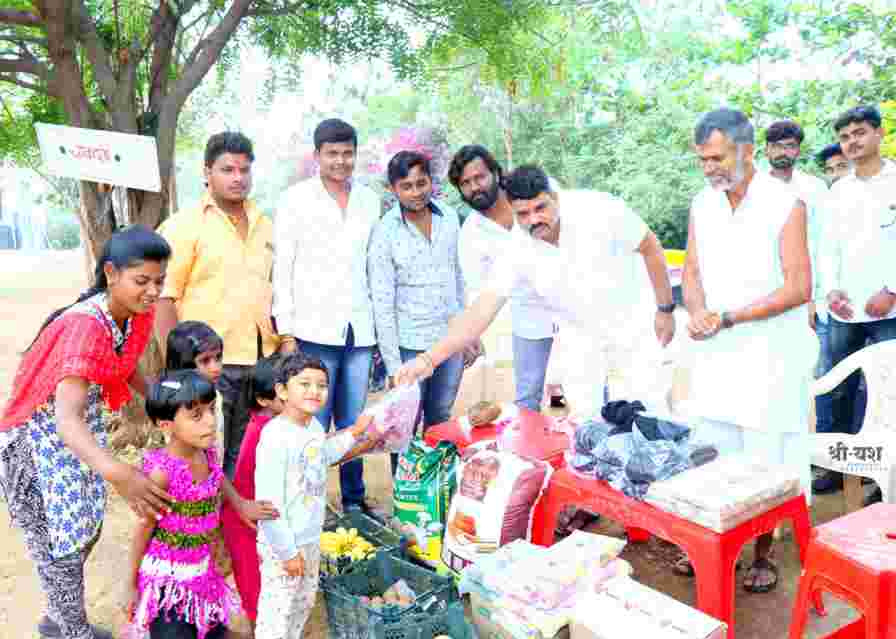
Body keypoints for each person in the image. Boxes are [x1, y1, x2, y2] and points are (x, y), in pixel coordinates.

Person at [395, 164, 675, 421]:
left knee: (648, 412)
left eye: (541, 208)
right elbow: (481, 311)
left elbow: (649, 245)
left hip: (630, 321)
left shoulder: (598, 208)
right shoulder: (518, 246)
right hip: (577, 334)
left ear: (556, 196)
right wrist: (427, 360)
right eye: (523, 214)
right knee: (583, 418)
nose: (533, 219)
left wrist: (665, 309)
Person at [0, 226, 174, 639]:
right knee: (60, 551)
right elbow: (67, 418)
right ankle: (71, 631)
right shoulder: (85, 327)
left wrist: (161, 404)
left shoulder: (134, 315)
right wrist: (121, 474)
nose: (152, 292)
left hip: (75, 444)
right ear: (111, 273)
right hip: (37, 450)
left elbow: (125, 360)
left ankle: (56, 622)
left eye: (159, 281)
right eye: (142, 281)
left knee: (84, 533)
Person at [683, 108, 814, 592]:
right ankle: (721, 545)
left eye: (716, 157)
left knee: (766, 459)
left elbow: (800, 286)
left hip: (771, 354)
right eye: (702, 160)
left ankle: (764, 551)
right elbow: (692, 270)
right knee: (717, 455)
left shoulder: (786, 203)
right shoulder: (703, 203)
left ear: (746, 150)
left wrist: (731, 317)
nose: (709, 168)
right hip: (717, 351)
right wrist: (696, 311)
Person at [272, 118, 381, 514]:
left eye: (347, 153)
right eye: (332, 153)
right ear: (317, 156)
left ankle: (354, 502)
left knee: (354, 421)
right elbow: (282, 268)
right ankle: (308, 502)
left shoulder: (370, 201)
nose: (340, 160)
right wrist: (286, 333)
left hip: (360, 331)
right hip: (312, 329)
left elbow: (375, 267)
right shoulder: (295, 200)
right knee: (311, 418)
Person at [156, 132, 280, 478]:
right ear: (207, 172)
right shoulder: (184, 225)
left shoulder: (265, 225)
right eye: (227, 169)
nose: (238, 177)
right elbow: (165, 296)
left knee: (244, 453)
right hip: (206, 363)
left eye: (244, 169)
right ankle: (201, 526)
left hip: (257, 360)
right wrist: (177, 367)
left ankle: (234, 525)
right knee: (205, 450)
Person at [254, 354, 382, 639]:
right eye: (305, 383)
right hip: (283, 544)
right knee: (277, 612)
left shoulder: (312, 427)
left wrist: (355, 433)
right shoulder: (275, 437)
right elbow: (269, 504)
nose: (315, 391)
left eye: (322, 385)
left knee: (302, 604)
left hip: (310, 537)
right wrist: (287, 552)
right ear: (282, 391)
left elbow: (323, 455)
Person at [817, 105, 896, 502]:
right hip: (844, 308)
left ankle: (887, 479)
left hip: (890, 308)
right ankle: (837, 468)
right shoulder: (838, 190)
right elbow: (828, 249)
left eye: (859, 132)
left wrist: (892, 290)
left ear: (879, 133)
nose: (852, 141)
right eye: (845, 136)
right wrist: (831, 290)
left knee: (891, 391)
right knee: (839, 388)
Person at [125, 371, 238, 639]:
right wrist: (129, 584)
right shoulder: (162, 474)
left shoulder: (206, 454)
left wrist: (241, 504)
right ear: (166, 426)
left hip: (202, 571)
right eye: (197, 415)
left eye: (211, 410)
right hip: (167, 584)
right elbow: (144, 529)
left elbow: (218, 481)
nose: (211, 422)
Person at [449, 145, 559, 411]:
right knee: (528, 397)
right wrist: (470, 334)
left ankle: (576, 443)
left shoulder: (531, 193)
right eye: (466, 183)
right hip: (530, 321)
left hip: (572, 310)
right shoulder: (471, 235)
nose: (475, 187)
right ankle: (536, 449)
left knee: (570, 391)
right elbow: (480, 295)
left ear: (496, 173)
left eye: (480, 177)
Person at [368, 151, 466, 439]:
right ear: (393, 189)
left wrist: (467, 331)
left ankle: (434, 484)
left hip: (450, 341)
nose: (416, 193)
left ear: (430, 182)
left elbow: (459, 277)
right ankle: (405, 485)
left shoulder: (448, 217)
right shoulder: (385, 232)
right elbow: (382, 300)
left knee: (440, 420)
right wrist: (392, 364)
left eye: (421, 183)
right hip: (409, 346)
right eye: (406, 186)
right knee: (403, 425)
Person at [763, 120, 836, 462]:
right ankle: (770, 451)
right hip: (764, 298)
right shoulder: (753, 188)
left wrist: (813, 298)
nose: (783, 153)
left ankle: (806, 455)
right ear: (766, 150)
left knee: (808, 375)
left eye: (790, 146)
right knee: (768, 373)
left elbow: (823, 244)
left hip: (807, 296)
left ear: (798, 150)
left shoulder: (814, 189)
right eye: (777, 146)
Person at [220, 353, 285, 635]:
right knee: (255, 593)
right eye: (286, 395)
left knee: (263, 588)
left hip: (257, 519)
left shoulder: (277, 426)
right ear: (264, 399)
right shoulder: (261, 432)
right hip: (245, 523)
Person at [164, 321, 226, 456]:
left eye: (218, 357)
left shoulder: (215, 394)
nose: (216, 368)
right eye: (205, 361)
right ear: (184, 363)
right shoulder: (178, 404)